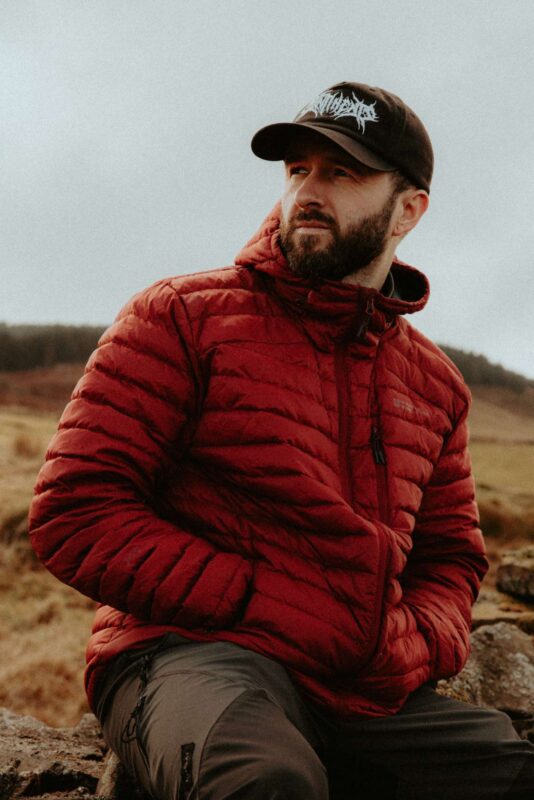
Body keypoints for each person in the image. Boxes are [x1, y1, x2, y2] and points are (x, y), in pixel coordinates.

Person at [29, 82, 534, 799]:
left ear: (410, 209)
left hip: (358, 686)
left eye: (343, 173)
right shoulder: (179, 317)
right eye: (298, 169)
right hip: (189, 654)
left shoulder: (436, 385)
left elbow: (450, 557)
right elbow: (76, 511)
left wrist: (413, 643)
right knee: (264, 784)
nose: (308, 191)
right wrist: (258, 599)